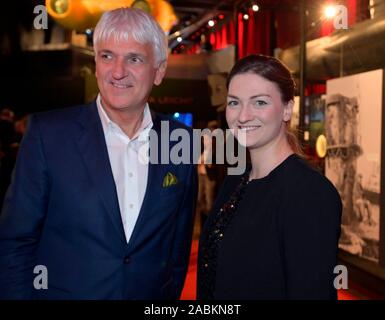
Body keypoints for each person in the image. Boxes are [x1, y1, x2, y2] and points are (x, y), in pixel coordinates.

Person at [0, 8, 197, 300]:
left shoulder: (179, 139)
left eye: (134, 58)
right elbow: (15, 242)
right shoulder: (48, 134)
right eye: (107, 56)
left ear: (159, 70)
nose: (117, 71)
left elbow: (177, 249)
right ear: (96, 62)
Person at [197, 54, 342, 300]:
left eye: (259, 102)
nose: (242, 116)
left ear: (287, 109)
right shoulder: (235, 181)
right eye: (234, 102)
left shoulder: (309, 192)